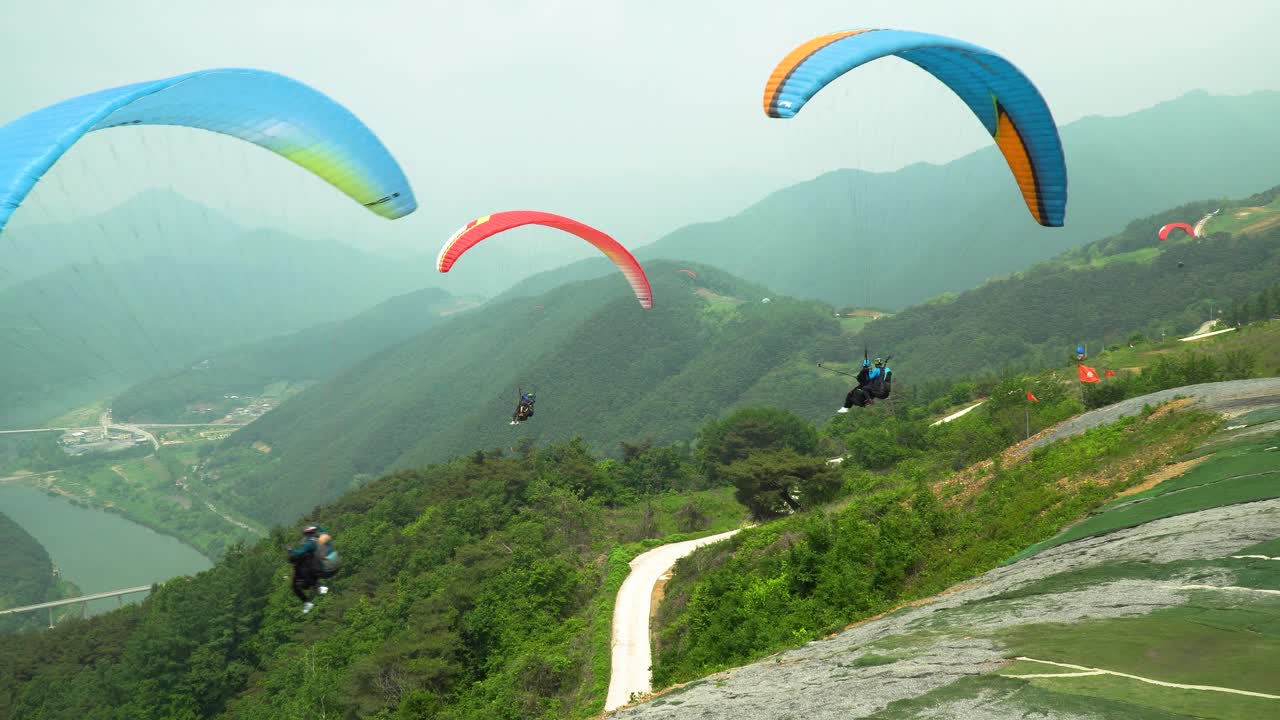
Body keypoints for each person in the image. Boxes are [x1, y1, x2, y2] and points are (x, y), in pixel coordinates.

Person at [287, 524, 332, 613]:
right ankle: (318, 587)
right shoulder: (320, 539)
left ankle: (315, 590)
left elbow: (300, 552)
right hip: (324, 563)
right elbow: (326, 533)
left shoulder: (310, 543)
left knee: (304, 570)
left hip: (315, 567)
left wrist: (291, 550)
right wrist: (319, 527)